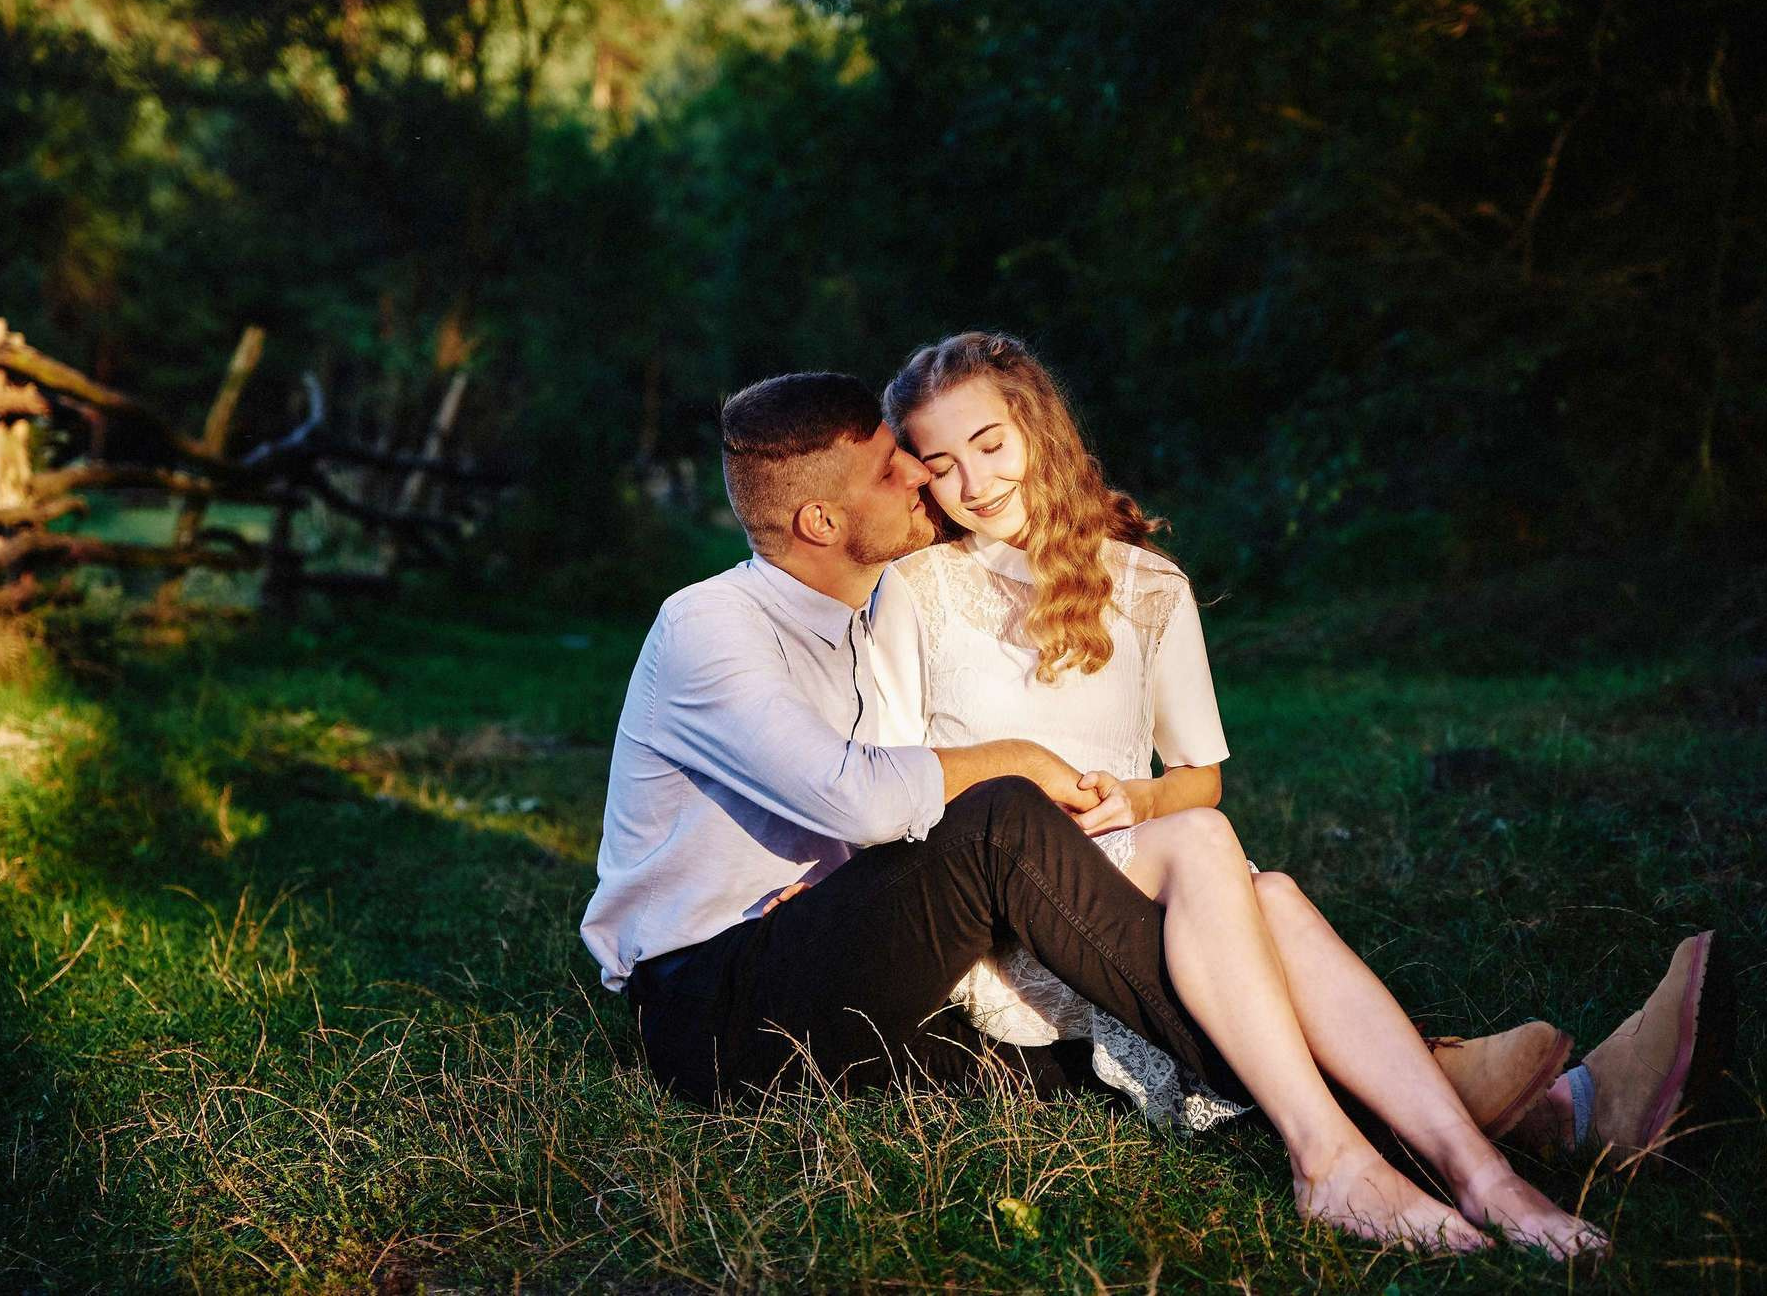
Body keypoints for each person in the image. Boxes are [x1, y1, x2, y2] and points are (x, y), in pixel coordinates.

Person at [577, 369, 1702, 1258]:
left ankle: (1502, 1141)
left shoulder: (868, 611)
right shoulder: (706, 628)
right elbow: (866, 802)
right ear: (820, 518)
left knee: (1132, 1014)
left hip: (865, 985)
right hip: (720, 1007)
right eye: (894, 472)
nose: (923, 483)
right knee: (1005, 815)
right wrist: (1013, 753)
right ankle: (1379, 1133)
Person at [869, 332, 1733, 1178]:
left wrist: (1137, 799)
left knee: (1260, 894)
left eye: (989, 444)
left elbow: (1198, 779)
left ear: (1040, 433)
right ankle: (1533, 1102)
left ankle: (1531, 1119)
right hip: (1013, 915)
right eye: (940, 463)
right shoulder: (915, 591)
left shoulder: (1148, 586)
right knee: (1242, 898)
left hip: (1160, 877)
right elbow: (894, 780)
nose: (973, 482)